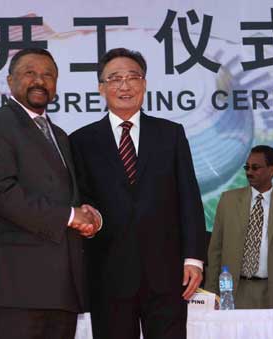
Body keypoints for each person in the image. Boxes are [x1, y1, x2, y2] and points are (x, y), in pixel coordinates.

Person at [70, 48, 206, 339]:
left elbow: (189, 198)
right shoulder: (81, 141)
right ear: (101, 88)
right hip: (108, 274)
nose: (124, 85)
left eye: (133, 77)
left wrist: (193, 258)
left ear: (144, 84)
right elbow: (80, 201)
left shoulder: (171, 134)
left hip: (167, 274)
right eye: (115, 78)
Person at [0, 48, 101, 339]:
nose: (40, 80)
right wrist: (69, 215)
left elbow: (69, 197)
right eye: (30, 73)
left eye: (48, 75)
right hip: (10, 288)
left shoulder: (61, 136)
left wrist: (90, 216)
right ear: (10, 80)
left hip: (60, 290)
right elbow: (2, 193)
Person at [206, 145, 273, 308]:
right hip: (233, 293)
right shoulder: (228, 201)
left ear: (272, 171)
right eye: (247, 167)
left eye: (255, 167)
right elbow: (215, 250)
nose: (249, 172)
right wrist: (211, 294)